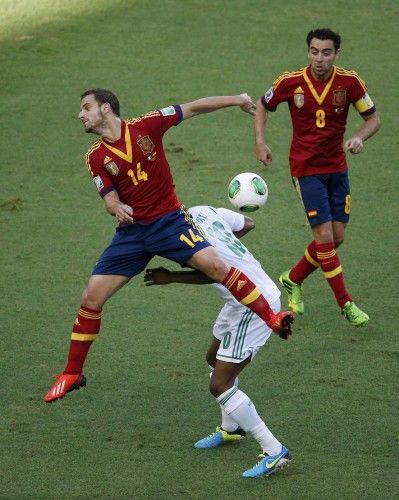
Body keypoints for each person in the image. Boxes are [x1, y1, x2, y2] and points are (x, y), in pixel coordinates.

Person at [44, 89, 294, 403]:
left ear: (105, 108)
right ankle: (72, 372)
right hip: (132, 234)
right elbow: (108, 195)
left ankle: (271, 318)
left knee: (217, 267)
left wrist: (236, 99)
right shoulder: (95, 156)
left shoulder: (147, 126)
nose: (81, 115)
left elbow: (193, 108)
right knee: (91, 297)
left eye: (86, 107)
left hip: (169, 223)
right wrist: (115, 207)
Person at [144, 205, 292, 478]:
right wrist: (227, 253)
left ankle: (274, 451)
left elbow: (211, 271)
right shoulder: (203, 210)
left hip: (253, 303)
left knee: (219, 384)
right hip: (238, 299)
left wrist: (172, 277)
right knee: (213, 359)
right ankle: (231, 429)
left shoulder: (178, 235)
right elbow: (247, 223)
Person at [254, 28, 381, 327]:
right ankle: (346, 304)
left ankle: (292, 278)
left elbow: (373, 119)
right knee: (324, 239)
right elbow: (262, 105)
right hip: (306, 169)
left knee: (336, 239)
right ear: (308, 51)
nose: (319, 59)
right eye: (314, 51)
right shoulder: (290, 82)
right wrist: (260, 141)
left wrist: (360, 138)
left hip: (337, 169)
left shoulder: (350, 82)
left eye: (326, 52)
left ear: (336, 54)